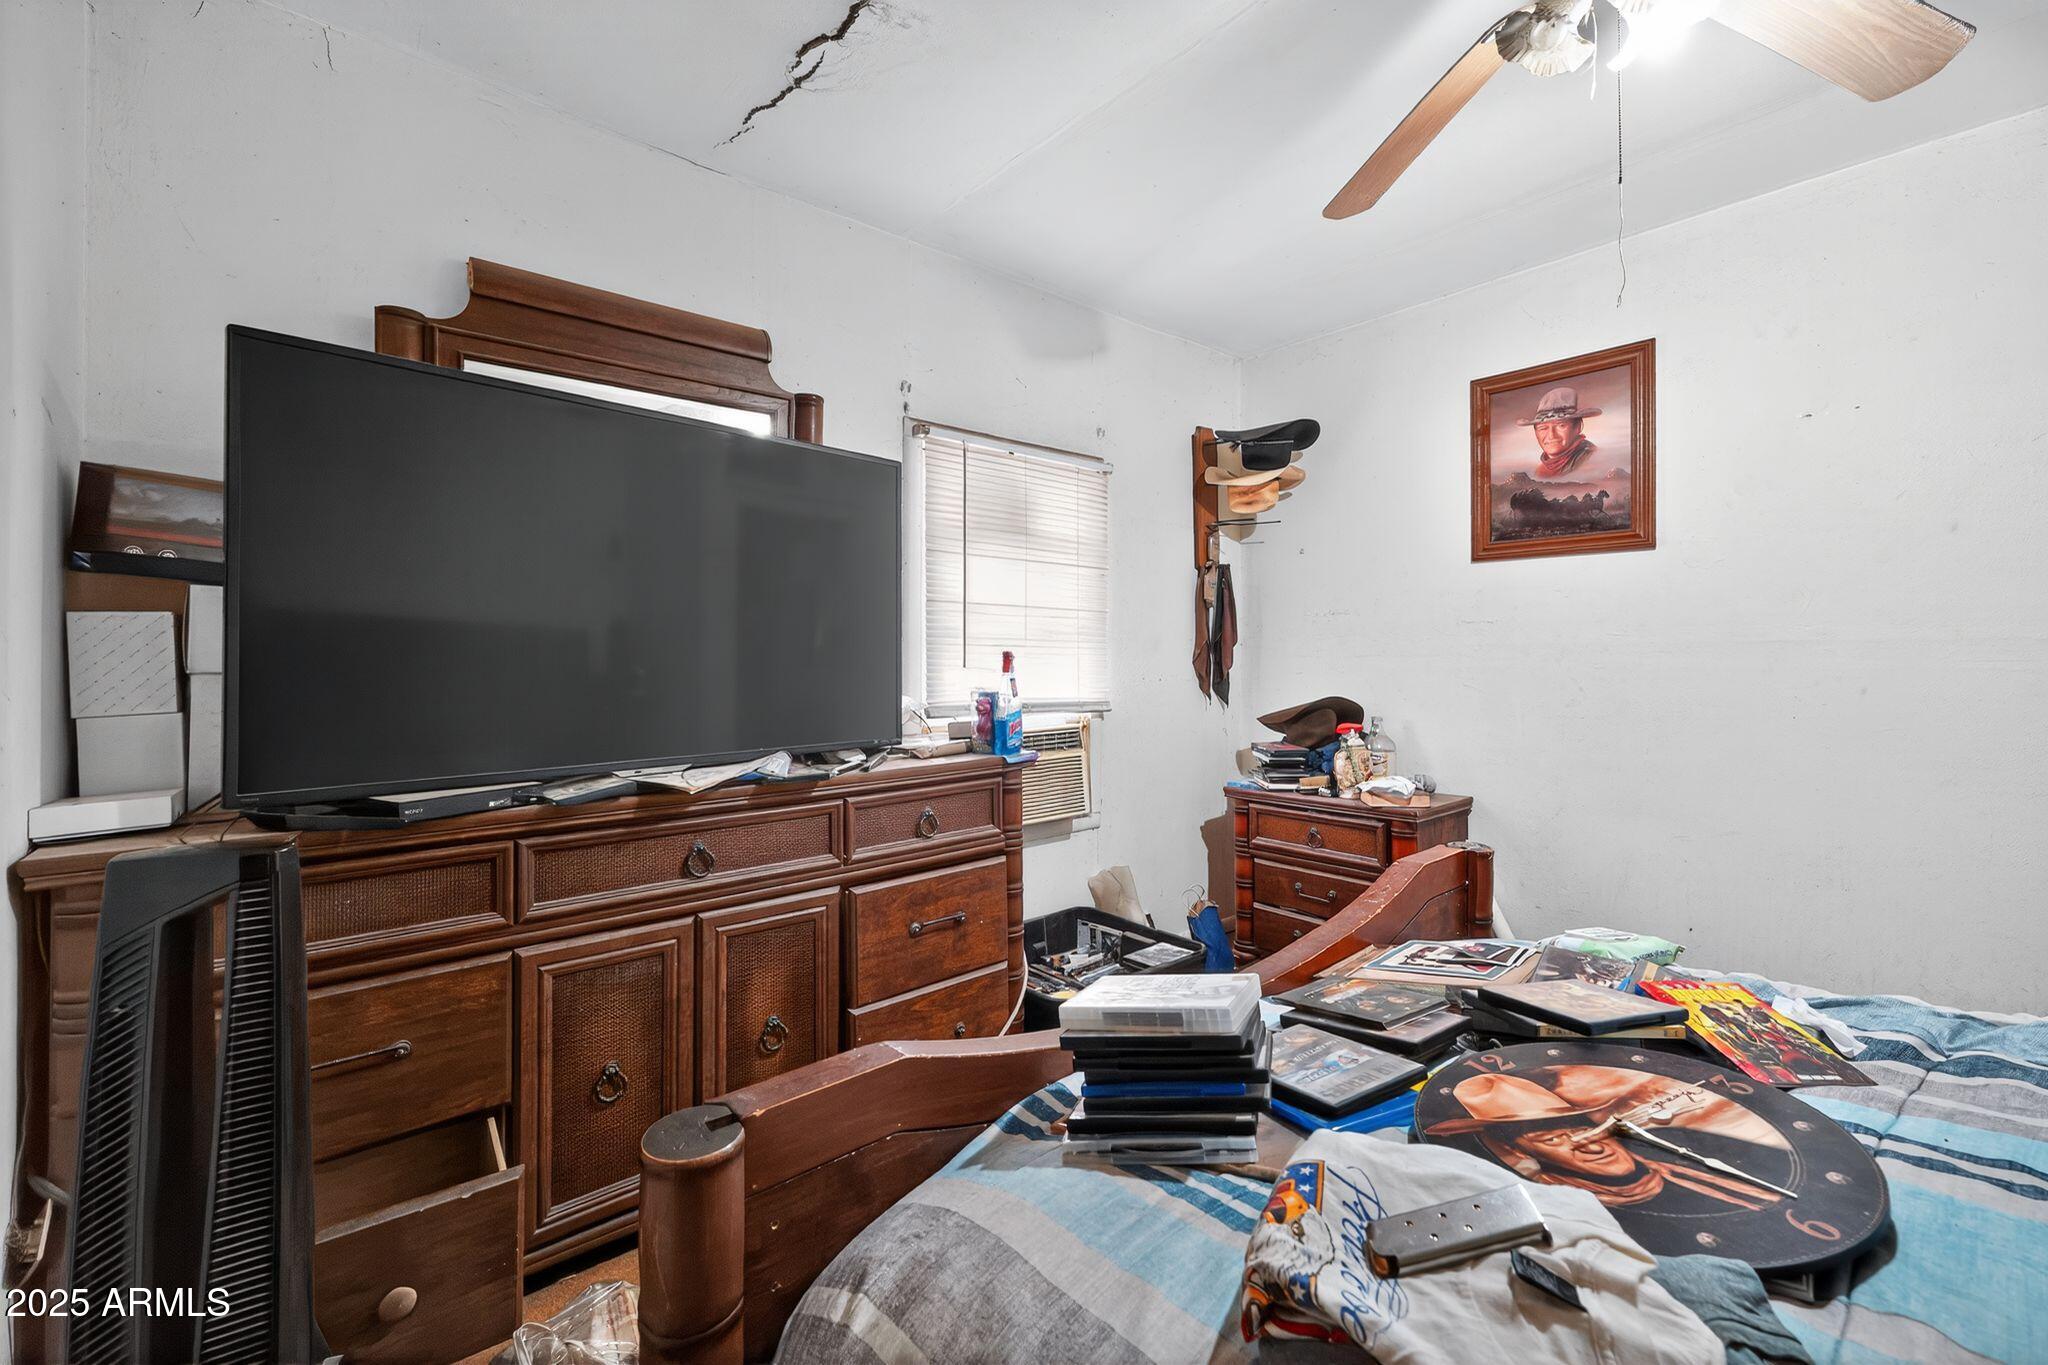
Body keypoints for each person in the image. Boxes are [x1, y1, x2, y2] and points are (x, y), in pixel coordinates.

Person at [1425, 1066, 1788, 1212]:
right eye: (1553, 1141)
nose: (1591, 1143)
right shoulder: (1564, 1208)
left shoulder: (1685, 1145)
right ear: (1516, 1150)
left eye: (1581, 1128)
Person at [1517, 385, 1601, 478]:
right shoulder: (1541, 471)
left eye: (1561, 426)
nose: (1551, 435)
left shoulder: (1592, 460)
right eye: (1543, 428)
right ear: (1536, 433)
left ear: (1578, 427)